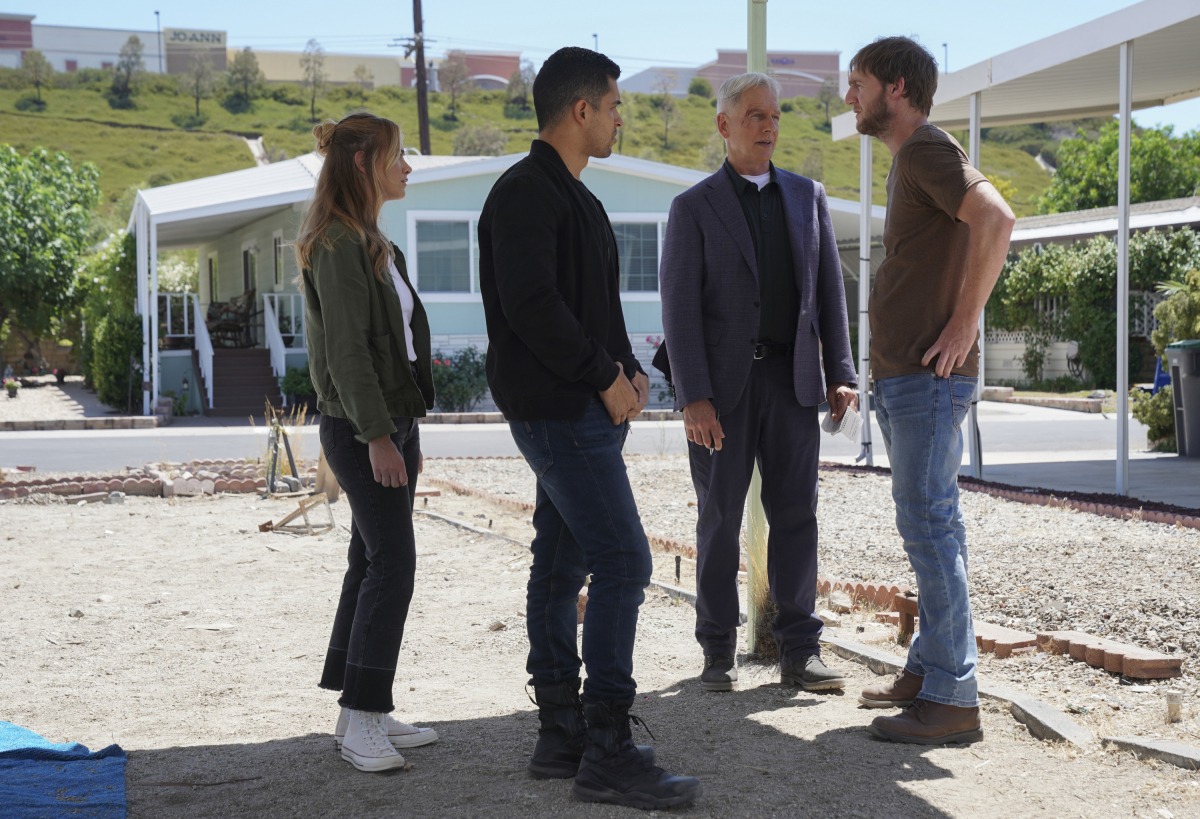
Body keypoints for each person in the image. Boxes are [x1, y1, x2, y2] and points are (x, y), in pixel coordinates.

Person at [478, 47, 701, 810]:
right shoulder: (524, 193)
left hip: (579, 406)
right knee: (625, 560)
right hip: (559, 409)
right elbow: (533, 306)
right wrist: (603, 375)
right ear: (580, 111)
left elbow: (592, 308)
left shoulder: (577, 197)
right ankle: (607, 748)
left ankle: (561, 734)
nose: (619, 120)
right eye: (613, 106)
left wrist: (627, 368)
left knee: (562, 559)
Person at [658, 73, 858, 694]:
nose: (769, 126)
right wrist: (693, 396)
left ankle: (800, 650)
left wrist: (840, 372)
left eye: (774, 116)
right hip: (721, 393)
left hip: (792, 382)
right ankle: (717, 650)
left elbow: (829, 292)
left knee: (797, 514)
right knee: (719, 517)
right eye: (755, 116)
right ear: (725, 125)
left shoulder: (807, 196)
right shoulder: (693, 207)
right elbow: (679, 309)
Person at [845, 37, 1015, 744]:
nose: (848, 97)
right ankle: (928, 670)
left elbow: (997, 218)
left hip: (927, 379)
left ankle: (951, 699)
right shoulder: (912, 159)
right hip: (908, 378)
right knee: (933, 527)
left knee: (930, 528)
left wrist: (965, 322)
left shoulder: (924, 149)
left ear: (897, 87)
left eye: (857, 83)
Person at [295, 112, 440, 771]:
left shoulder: (373, 241)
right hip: (362, 428)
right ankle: (363, 720)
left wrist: (405, 430)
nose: (406, 166)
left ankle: (360, 711)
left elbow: (397, 345)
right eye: (397, 155)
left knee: (370, 561)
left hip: (391, 423)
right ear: (362, 163)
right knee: (393, 566)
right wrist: (379, 436)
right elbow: (348, 354)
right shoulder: (337, 243)